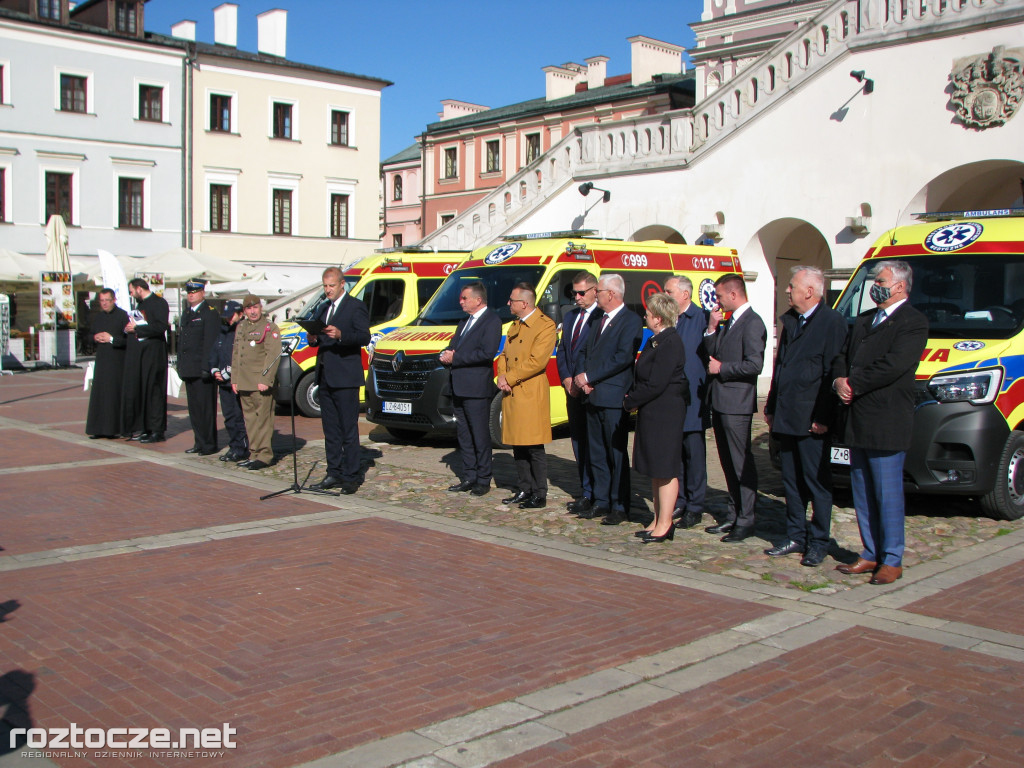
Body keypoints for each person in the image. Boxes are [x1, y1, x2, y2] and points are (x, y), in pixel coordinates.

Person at [833, 260, 928, 585]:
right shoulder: (863, 320)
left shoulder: (912, 322)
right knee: (862, 492)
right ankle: (870, 551)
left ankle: (891, 558)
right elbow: (842, 356)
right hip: (857, 418)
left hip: (886, 420)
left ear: (900, 286)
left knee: (887, 494)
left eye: (882, 280)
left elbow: (893, 365)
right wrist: (839, 381)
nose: (876, 285)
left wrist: (854, 382)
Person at [764, 266, 848, 566]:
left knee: (817, 483)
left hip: (813, 418)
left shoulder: (832, 323)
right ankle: (795, 534)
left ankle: (819, 541)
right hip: (787, 415)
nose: (787, 291)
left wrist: (824, 416)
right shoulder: (792, 322)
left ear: (809, 291)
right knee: (791, 481)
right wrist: (772, 406)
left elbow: (833, 371)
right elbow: (781, 368)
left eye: (791, 286)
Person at [573, 274, 643, 525]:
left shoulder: (631, 321)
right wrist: (582, 377)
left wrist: (591, 377)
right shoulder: (597, 319)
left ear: (611, 294)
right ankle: (601, 500)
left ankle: (619, 504)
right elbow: (583, 350)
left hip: (612, 396)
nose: (595, 295)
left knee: (615, 453)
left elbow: (622, 358)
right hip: (591, 395)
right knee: (597, 453)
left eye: (598, 291)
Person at [702, 273, 767, 542]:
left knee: (741, 463)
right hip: (720, 401)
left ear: (733, 294)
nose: (716, 301)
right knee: (728, 463)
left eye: (718, 296)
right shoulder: (729, 322)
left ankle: (746, 518)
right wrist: (712, 327)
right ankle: (734, 513)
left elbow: (755, 364)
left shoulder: (752, 323)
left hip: (737, 402)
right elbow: (713, 351)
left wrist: (723, 369)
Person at [624, 292, 686, 543]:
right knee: (655, 469)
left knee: (665, 468)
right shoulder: (656, 340)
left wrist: (631, 401)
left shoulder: (671, 342)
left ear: (658, 318)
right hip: (653, 411)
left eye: (648, 314)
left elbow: (657, 382)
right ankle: (657, 518)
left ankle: (666, 523)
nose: (645, 317)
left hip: (666, 412)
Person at [307, 267, 371, 493]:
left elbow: (364, 336)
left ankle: (351, 476)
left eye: (331, 286)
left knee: (348, 430)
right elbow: (317, 339)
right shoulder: (323, 308)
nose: (328, 290)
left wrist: (342, 335)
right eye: (325, 286)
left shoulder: (355, 306)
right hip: (325, 376)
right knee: (330, 430)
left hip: (345, 378)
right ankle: (333, 472)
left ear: (342, 284)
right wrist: (312, 338)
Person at [497, 283, 558, 509]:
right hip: (512, 391)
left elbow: (537, 361)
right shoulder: (516, 325)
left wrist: (510, 378)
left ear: (524, 303)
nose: (508, 303)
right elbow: (504, 354)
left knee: (533, 445)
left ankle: (539, 492)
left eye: (512, 300)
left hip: (530, 392)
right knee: (518, 444)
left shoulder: (544, 325)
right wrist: (502, 376)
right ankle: (524, 487)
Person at [440, 282, 501, 496]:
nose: (461, 301)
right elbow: (454, 345)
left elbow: (486, 353)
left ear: (478, 299)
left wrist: (456, 357)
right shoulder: (464, 322)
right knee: (464, 435)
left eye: (465, 298)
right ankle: (469, 475)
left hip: (476, 388)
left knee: (479, 435)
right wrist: (445, 354)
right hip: (459, 386)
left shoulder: (491, 321)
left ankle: (483, 478)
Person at [555, 272, 603, 516]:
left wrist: (582, 378)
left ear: (595, 290)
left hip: (590, 389)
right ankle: (586, 491)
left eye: (582, 292)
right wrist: (565, 378)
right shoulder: (571, 316)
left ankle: (599, 492)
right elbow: (563, 350)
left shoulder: (601, 316)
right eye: (574, 293)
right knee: (578, 442)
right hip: (571, 388)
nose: (577, 297)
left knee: (595, 444)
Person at [664, 275, 710, 530]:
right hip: (672, 399)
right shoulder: (671, 319)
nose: (665, 294)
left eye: (669, 291)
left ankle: (695, 505)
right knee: (676, 453)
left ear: (684, 294)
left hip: (693, 397)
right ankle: (679, 499)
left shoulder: (701, 319)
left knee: (694, 455)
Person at [231, 294, 282, 471]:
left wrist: (266, 379)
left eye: (255, 308)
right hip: (245, 381)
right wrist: (235, 379)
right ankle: (253, 453)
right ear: (244, 311)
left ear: (261, 308)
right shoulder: (241, 327)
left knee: (263, 421)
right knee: (250, 420)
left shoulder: (269, 327)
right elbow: (237, 354)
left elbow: (273, 355)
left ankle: (264, 455)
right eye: (249, 308)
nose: (252, 311)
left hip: (260, 382)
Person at [176, 278, 220, 456]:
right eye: (189, 292)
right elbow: (183, 343)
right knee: (194, 409)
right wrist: (181, 366)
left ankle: (209, 444)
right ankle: (199, 441)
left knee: (205, 409)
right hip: (189, 369)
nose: (191, 295)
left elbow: (210, 343)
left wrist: (206, 367)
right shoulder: (187, 313)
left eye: (194, 292)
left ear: (203, 292)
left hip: (202, 370)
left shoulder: (209, 313)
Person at [122, 278, 170, 443]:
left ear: (138, 289)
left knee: (155, 391)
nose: (131, 294)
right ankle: (146, 428)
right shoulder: (140, 306)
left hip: (155, 353)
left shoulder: (159, 302)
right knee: (143, 390)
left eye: (131, 291)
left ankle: (157, 430)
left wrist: (138, 328)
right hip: (141, 353)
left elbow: (161, 326)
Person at [85, 288, 128, 439]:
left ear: (114, 300)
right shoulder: (98, 317)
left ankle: (113, 429)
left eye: (107, 301)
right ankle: (98, 428)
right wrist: (95, 337)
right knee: (100, 395)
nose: (104, 304)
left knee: (113, 396)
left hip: (117, 361)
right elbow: (88, 336)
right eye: (101, 301)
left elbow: (128, 341)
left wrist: (111, 339)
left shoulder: (122, 316)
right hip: (102, 360)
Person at [209, 300, 249, 463]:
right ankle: (234, 446)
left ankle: (242, 448)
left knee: (238, 416)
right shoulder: (223, 331)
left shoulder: (242, 331)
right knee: (229, 417)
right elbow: (214, 352)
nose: (228, 320)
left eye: (231, 316)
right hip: (223, 381)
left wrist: (227, 373)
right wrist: (214, 369)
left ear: (240, 314)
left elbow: (241, 357)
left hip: (235, 380)